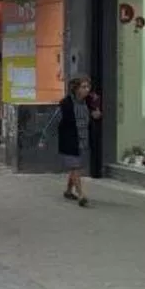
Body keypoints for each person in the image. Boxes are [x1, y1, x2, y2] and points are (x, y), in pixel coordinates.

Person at [41, 77, 97, 207]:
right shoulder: (66, 104)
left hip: (83, 139)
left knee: (75, 167)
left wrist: (96, 115)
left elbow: (93, 116)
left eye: (88, 87)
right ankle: (81, 195)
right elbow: (53, 122)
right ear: (76, 89)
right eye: (83, 87)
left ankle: (68, 191)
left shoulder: (88, 102)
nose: (87, 89)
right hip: (70, 140)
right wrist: (44, 138)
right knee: (75, 166)